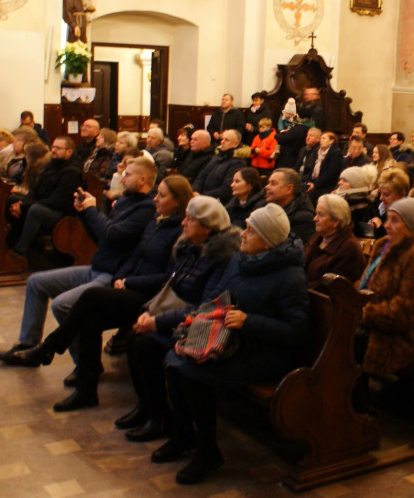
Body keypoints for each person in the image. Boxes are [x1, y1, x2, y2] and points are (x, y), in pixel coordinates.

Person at [0, 177, 193, 411]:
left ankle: (47, 349)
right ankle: (86, 391)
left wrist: (128, 281)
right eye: (156, 194)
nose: (155, 199)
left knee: (91, 296)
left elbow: (169, 278)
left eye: (162, 195)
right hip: (129, 286)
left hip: (150, 297)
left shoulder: (180, 231)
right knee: (90, 321)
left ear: (178, 201)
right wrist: (121, 276)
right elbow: (136, 256)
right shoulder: (157, 222)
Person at [156, 204, 309, 484]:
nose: (243, 234)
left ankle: (207, 452)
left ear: (267, 240)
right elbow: (217, 294)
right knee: (174, 361)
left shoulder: (290, 276)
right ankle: (182, 436)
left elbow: (297, 331)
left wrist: (249, 321)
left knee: (193, 374)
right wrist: (198, 316)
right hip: (231, 340)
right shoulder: (241, 260)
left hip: (266, 353)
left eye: (251, 230)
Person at [0, 157, 157, 361]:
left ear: (142, 180)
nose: (122, 179)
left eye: (127, 175)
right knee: (36, 282)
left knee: (62, 305)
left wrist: (92, 210)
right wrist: (84, 214)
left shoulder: (146, 209)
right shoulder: (125, 201)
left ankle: (84, 364)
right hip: (97, 267)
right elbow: (100, 237)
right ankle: (27, 343)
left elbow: (112, 235)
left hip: (113, 275)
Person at [120, 197, 244, 443]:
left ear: (207, 227)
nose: (183, 223)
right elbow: (171, 287)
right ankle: (147, 407)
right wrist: (151, 313)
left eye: (190, 219)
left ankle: (161, 418)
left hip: (199, 325)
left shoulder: (222, 258)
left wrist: (157, 322)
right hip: (178, 316)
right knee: (134, 338)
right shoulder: (188, 247)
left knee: (146, 345)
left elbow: (204, 307)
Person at [355, 198, 414, 413]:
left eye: (395, 220)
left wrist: (365, 313)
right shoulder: (383, 246)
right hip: (375, 320)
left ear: (411, 226)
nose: (387, 225)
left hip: (405, 334)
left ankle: (357, 409)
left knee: (351, 343)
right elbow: (363, 283)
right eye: (388, 218)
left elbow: (406, 311)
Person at [10, 136, 83, 256]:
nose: (53, 150)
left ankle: (19, 252)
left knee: (35, 210)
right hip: (45, 204)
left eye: (58, 148)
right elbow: (35, 189)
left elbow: (56, 202)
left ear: (69, 152)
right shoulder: (51, 165)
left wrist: (24, 206)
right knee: (12, 199)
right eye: (53, 147)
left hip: (60, 213)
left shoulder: (72, 172)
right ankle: (11, 242)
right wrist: (22, 204)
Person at [304, 193, 365, 284]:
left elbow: (333, 290)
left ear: (336, 221)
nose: (315, 219)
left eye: (320, 215)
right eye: (316, 214)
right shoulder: (318, 237)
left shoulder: (349, 248)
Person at [263, 168, 316, 242]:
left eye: (273, 183)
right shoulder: (265, 206)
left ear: (289, 189)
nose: (267, 187)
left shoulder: (303, 218)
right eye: (268, 183)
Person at [192, 129, 245, 203]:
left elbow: (226, 189)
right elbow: (201, 177)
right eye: (222, 139)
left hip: (217, 202)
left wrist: (202, 196)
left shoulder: (237, 162)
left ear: (235, 144)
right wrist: (195, 191)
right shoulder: (216, 157)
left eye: (226, 140)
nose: (222, 142)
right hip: (201, 197)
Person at [335, 165, 378, 237]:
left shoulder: (360, 205)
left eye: (345, 181)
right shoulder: (342, 199)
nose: (339, 183)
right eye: (340, 179)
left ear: (355, 185)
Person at [304, 131, 342, 201]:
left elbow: (330, 173)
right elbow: (312, 169)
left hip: (327, 185)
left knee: (307, 196)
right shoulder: (319, 151)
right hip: (315, 183)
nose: (321, 141)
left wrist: (314, 185)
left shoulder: (336, 153)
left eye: (324, 138)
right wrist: (308, 182)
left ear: (331, 141)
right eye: (321, 139)